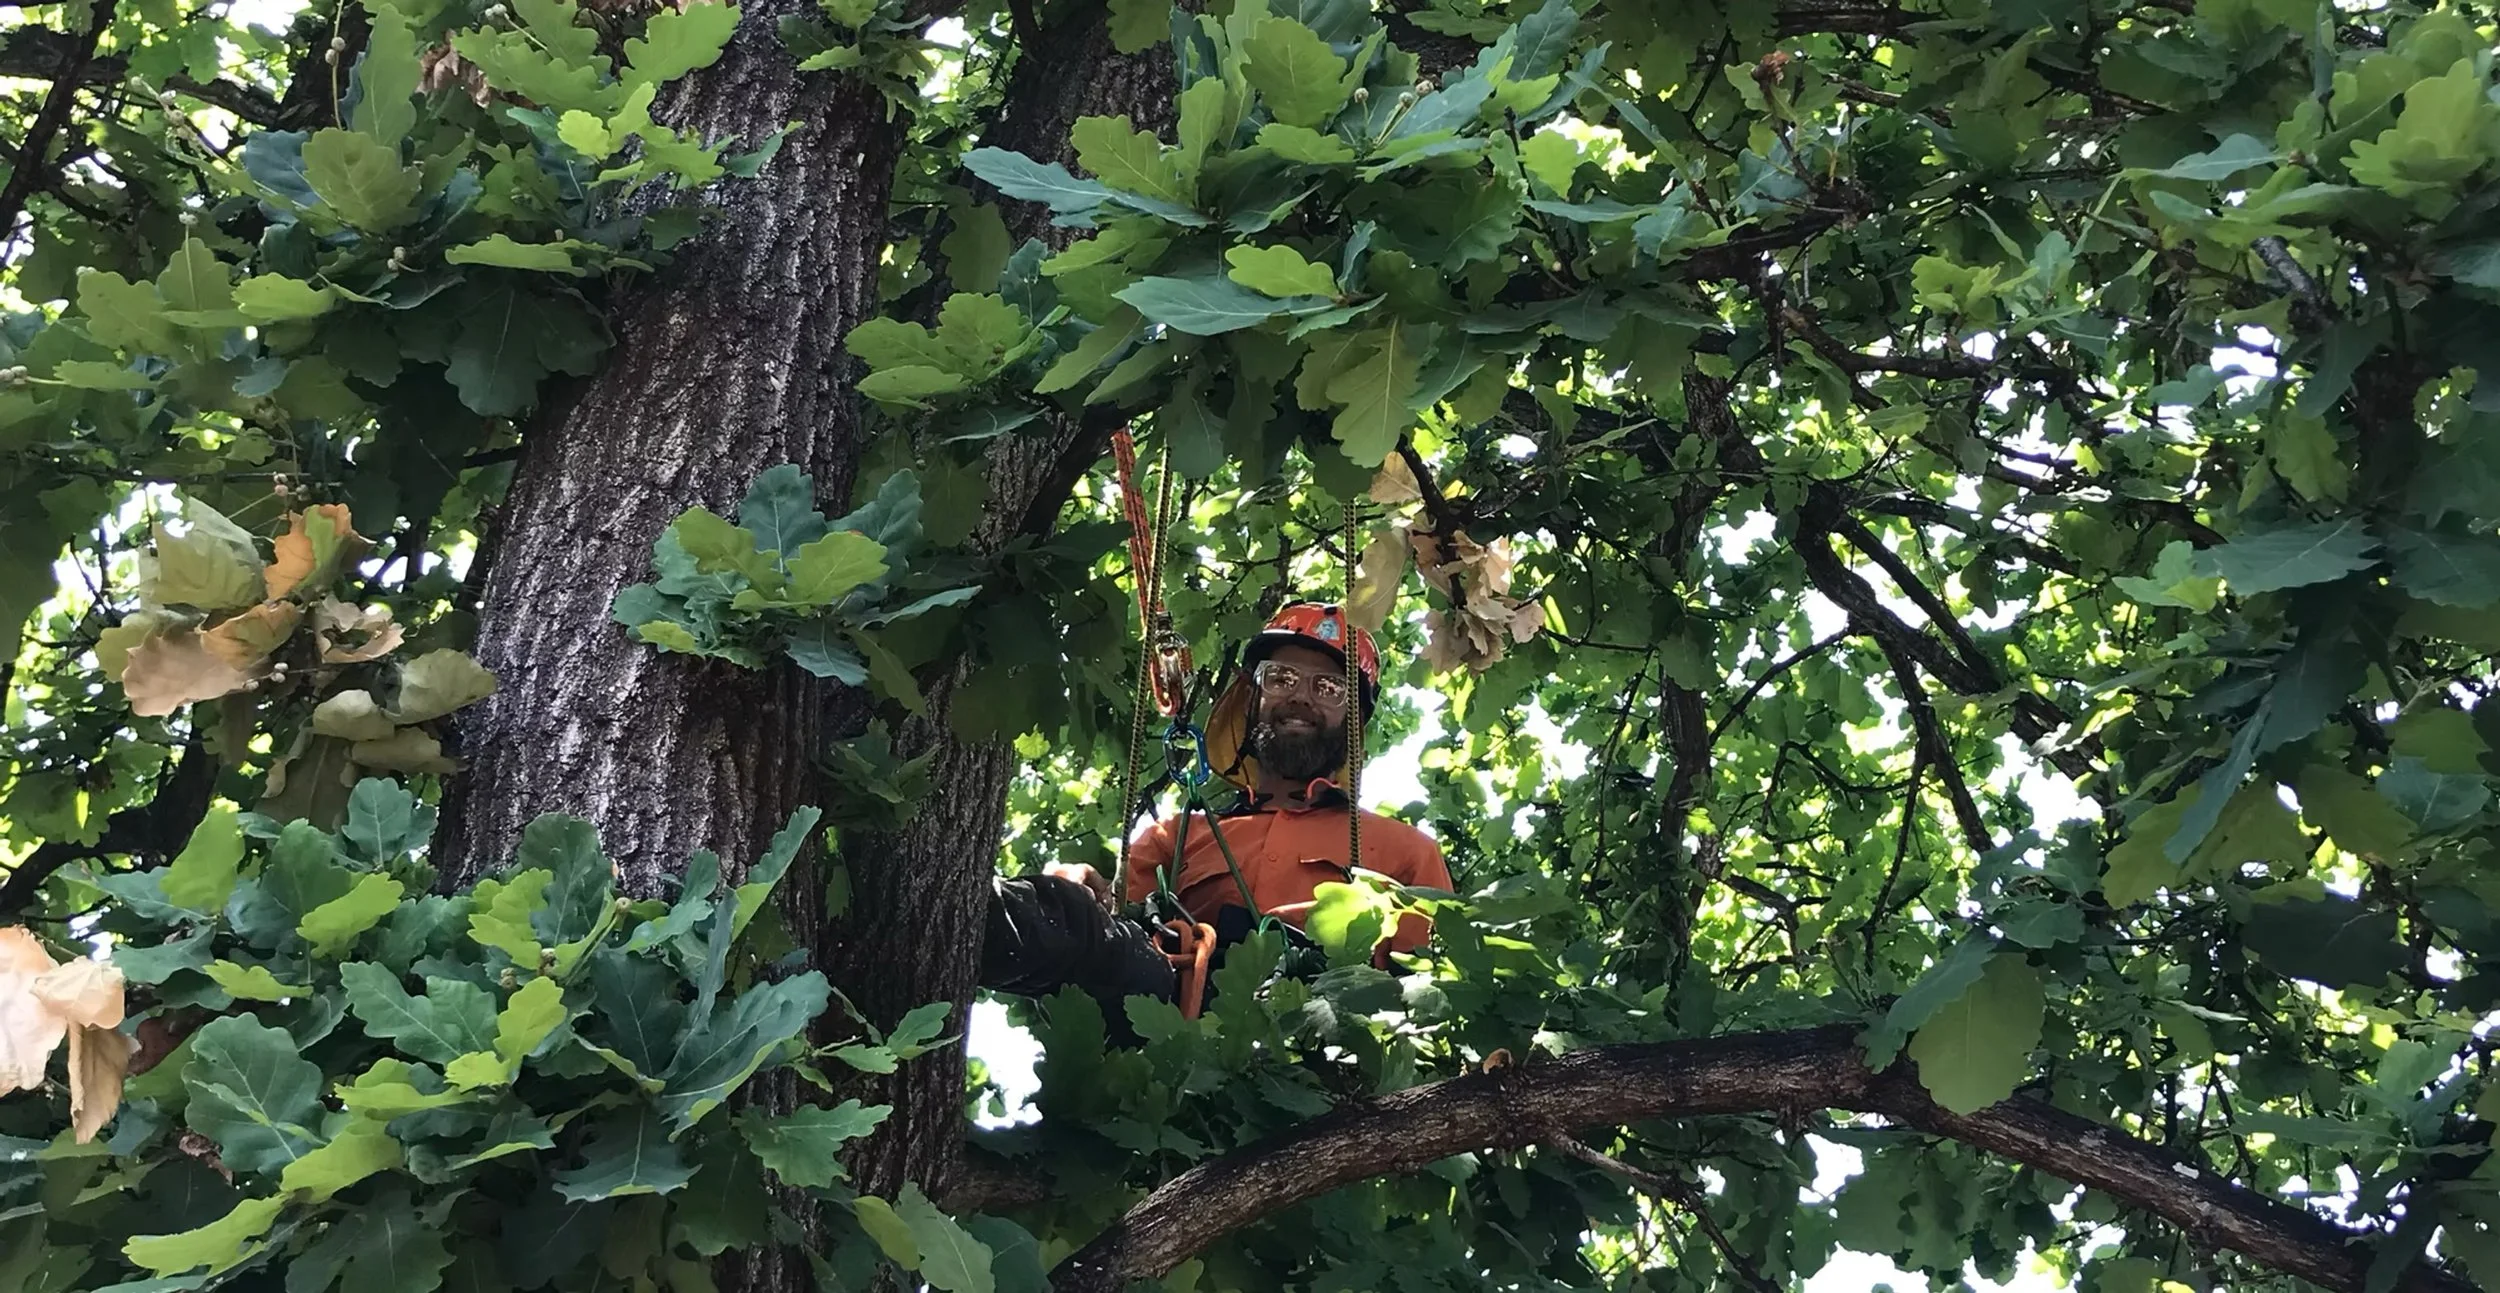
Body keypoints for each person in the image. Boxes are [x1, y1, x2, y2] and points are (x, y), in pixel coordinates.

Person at [978, 602, 1455, 1023]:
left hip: (1320, 1031)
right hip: (1173, 1012)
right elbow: (1108, 931)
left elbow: (1427, 994)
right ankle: (937, 920)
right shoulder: (1179, 835)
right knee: (1068, 915)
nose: (1302, 697)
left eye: (1330, 688)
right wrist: (1079, 893)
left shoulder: (1403, 853)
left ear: (1355, 721)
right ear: (1251, 699)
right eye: (1281, 678)